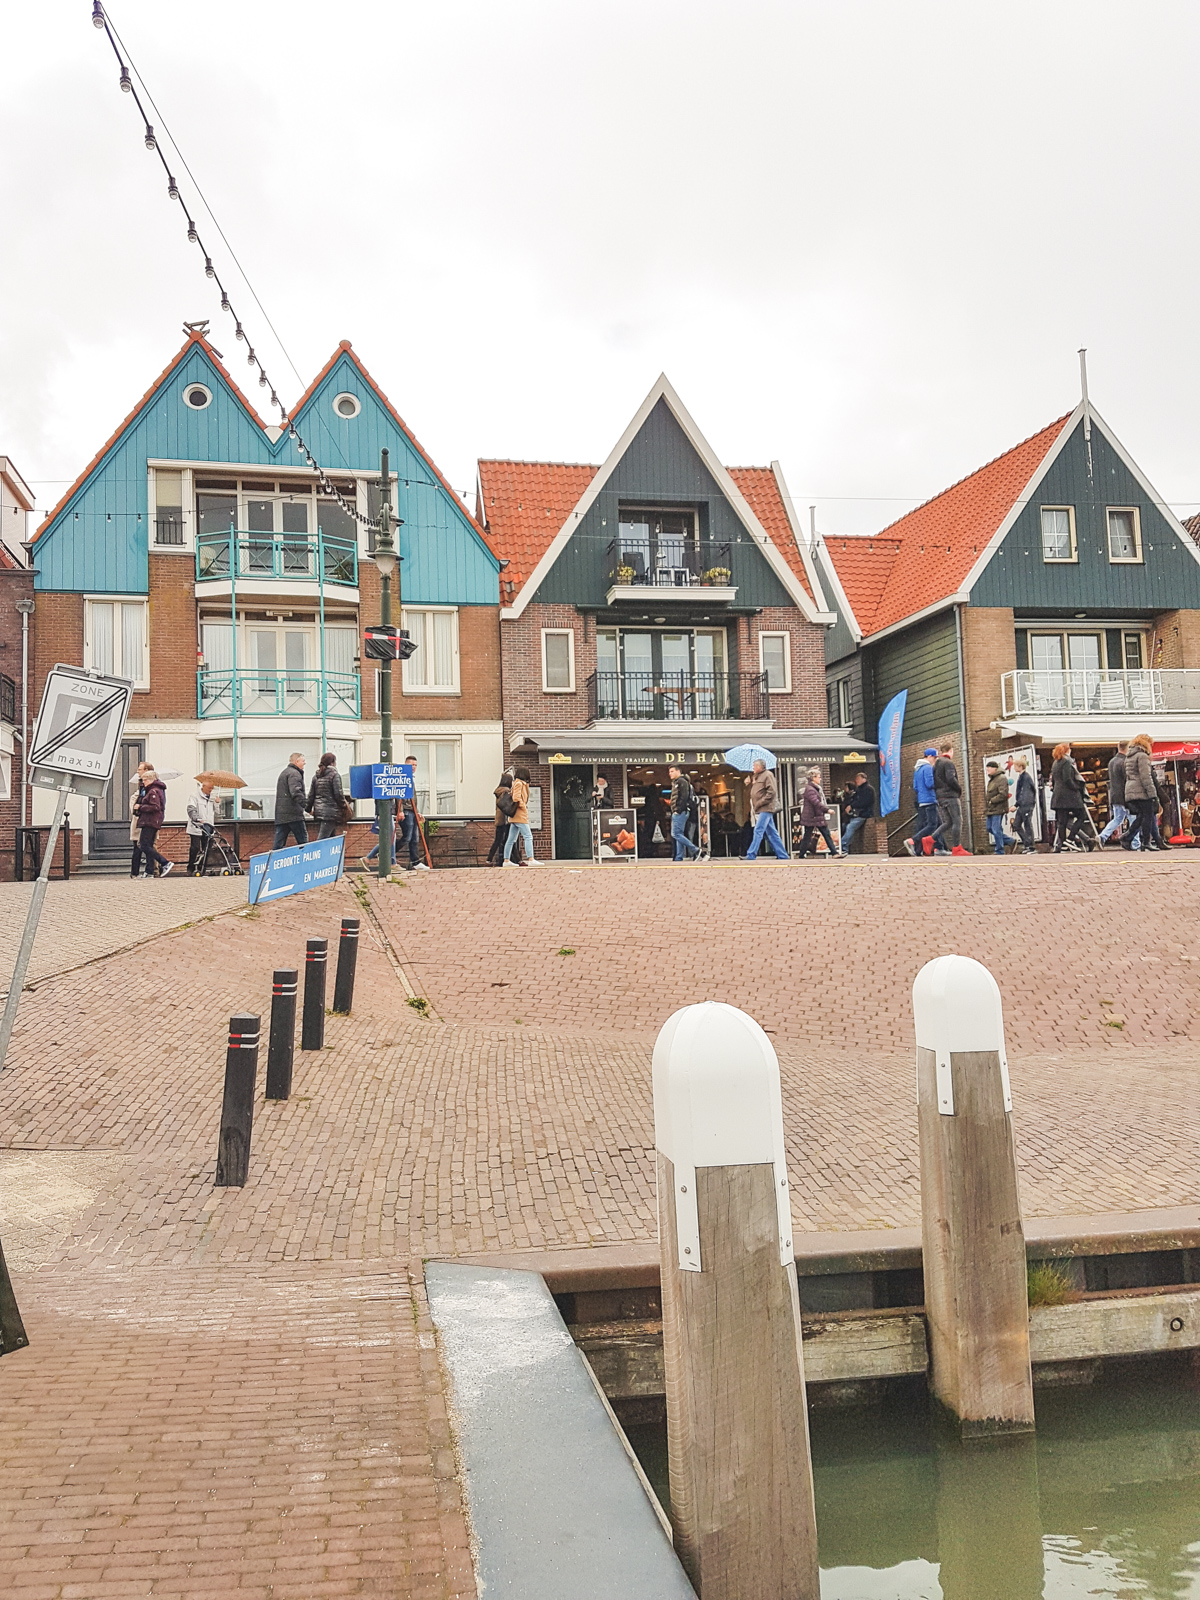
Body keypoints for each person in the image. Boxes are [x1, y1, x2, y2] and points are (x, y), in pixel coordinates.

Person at [742, 759, 789, 862]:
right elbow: (758, 791)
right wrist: (751, 782)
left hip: (765, 808)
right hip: (761, 808)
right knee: (772, 833)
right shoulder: (757, 777)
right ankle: (783, 855)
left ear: (760, 767)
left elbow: (771, 792)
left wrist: (760, 803)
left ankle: (751, 854)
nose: (753, 768)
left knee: (758, 830)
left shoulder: (768, 775)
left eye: (754, 766)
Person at [130, 765, 172, 878]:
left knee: (143, 845)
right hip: (151, 821)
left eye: (144, 780)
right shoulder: (155, 790)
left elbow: (155, 807)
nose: (143, 782)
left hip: (150, 821)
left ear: (150, 779)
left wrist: (140, 807)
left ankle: (164, 862)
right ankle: (149, 871)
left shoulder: (153, 791)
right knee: (146, 845)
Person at [1122, 733, 1160, 852]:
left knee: (1141, 816)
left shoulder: (1129, 756)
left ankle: (1127, 837)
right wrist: (1152, 793)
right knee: (1148, 816)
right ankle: (1145, 842)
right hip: (1141, 790)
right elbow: (1145, 776)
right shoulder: (1142, 756)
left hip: (1131, 789)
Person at [930, 741, 970, 856]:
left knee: (948, 822)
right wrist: (958, 789)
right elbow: (951, 778)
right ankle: (957, 847)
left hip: (940, 796)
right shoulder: (948, 763)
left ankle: (930, 839)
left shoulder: (936, 764)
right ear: (950, 750)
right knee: (957, 820)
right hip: (950, 796)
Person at [1050, 742, 1089, 852]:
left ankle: (1062, 844)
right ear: (1067, 750)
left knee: (1061, 822)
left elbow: (1053, 780)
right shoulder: (1067, 762)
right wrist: (1076, 787)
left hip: (1057, 796)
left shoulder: (1055, 763)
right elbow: (1067, 778)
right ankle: (1071, 839)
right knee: (1082, 815)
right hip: (1069, 796)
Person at [906, 748, 942, 857]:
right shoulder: (927, 767)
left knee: (926, 824)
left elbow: (916, 787)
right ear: (929, 756)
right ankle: (912, 841)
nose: (935, 760)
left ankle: (920, 849)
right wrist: (939, 785)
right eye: (935, 758)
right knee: (933, 824)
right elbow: (929, 784)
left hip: (921, 800)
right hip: (929, 799)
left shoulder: (917, 769)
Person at [502, 767, 539, 866]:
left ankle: (506, 860)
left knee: (511, 839)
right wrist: (523, 806)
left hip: (515, 816)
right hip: (519, 814)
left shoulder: (517, 783)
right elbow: (516, 798)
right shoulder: (519, 783)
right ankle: (531, 858)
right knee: (528, 836)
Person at [797, 767, 837, 858]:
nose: (820, 778)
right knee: (821, 834)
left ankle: (801, 854)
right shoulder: (811, 789)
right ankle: (834, 853)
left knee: (810, 835)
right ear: (813, 778)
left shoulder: (814, 788)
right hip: (814, 816)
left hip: (815, 815)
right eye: (819, 777)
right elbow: (816, 802)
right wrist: (827, 810)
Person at [398, 756, 429, 870]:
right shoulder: (402, 778)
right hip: (406, 810)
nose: (414, 767)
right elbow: (398, 796)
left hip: (412, 811)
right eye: (411, 765)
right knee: (407, 837)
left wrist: (417, 812)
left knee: (415, 838)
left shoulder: (411, 778)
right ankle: (387, 853)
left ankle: (415, 862)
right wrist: (400, 811)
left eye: (415, 765)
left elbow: (413, 798)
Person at [307, 752, 346, 840]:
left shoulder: (316, 776)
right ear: (332, 763)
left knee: (331, 839)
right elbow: (338, 794)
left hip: (319, 812)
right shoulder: (335, 775)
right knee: (322, 840)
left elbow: (311, 795)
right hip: (331, 813)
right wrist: (344, 806)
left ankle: (333, 854)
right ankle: (318, 853)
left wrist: (308, 809)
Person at [274, 753, 308, 849]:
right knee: (303, 842)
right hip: (294, 814)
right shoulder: (294, 774)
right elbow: (296, 792)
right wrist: (307, 807)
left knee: (278, 844)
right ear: (297, 762)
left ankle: (273, 862)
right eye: (303, 761)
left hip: (282, 815)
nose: (304, 763)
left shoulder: (284, 773)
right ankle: (305, 862)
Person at [983, 762, 1019, 856]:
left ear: (995, 768)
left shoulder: (1001, 778)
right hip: (991, 808)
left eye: (989, 768)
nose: (988, 770)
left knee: (996, 829)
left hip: (998, 808)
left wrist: (992, 800)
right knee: (989, 828)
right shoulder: (992, 779)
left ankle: (999, 850)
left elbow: (1003, 794)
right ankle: (1010, 841)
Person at [1098, 742, 1129, 847]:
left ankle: (1103, 836)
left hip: (1114, 795)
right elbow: (1127, 780)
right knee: (1133, 818)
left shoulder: (1112, 762)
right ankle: (1135, 843)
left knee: (1117, 818)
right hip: (1125, 795)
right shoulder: (1125, 762)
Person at [667, 765, 700, 862]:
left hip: (680, 812)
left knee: (676, 834)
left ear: (678, 771)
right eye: (669, 771)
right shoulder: (679, 782)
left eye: (672, 771)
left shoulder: (681, 782)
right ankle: (679, 857)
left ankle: (695, 849)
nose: (670, 773)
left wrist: (678, 809)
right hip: (680, 811)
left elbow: (683, 796)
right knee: (679, 834)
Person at [839, 772, 876, 856]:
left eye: (858, 779)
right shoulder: (858, 790)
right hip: (855, 814)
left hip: (863, 814)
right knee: (844, 826)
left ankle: (842, 846)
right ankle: (844, 845)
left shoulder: (868, 789)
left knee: (850, 827)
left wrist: (851, 806)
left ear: (864, 779)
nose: (856, 781)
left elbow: (864, 802)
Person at [185, 779, 217, 875]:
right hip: (197, 826)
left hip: (208, 826)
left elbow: (217, 812)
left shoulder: (213, 797)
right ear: (203, 787)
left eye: (212, 788)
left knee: (207, 848)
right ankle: (191, 867)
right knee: (195, 848)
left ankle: (202, 868)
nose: (211, 790)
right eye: (209, 788)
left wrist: (218, 803)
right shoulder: (194, 796)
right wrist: (196, 819)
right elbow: (191, 809)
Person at [487, 768, 516, 866]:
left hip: (499, 819)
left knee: (498, 840)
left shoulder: (498, 791)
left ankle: (489, 859)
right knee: (510, 840)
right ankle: (516, 860)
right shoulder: (506, 791)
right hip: (506, 819)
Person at [1012, 757, 1037, 852]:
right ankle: (1027, 843)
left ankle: (1031, 846)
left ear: (1020, 766)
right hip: (1023, 804)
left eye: (1015, 765)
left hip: (1026, 805)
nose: (1014, 767)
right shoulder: (1022, 777)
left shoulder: (1026, 778)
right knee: (1016, 825)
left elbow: (1024, 792)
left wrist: (1016, 804)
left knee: (1027, 824)